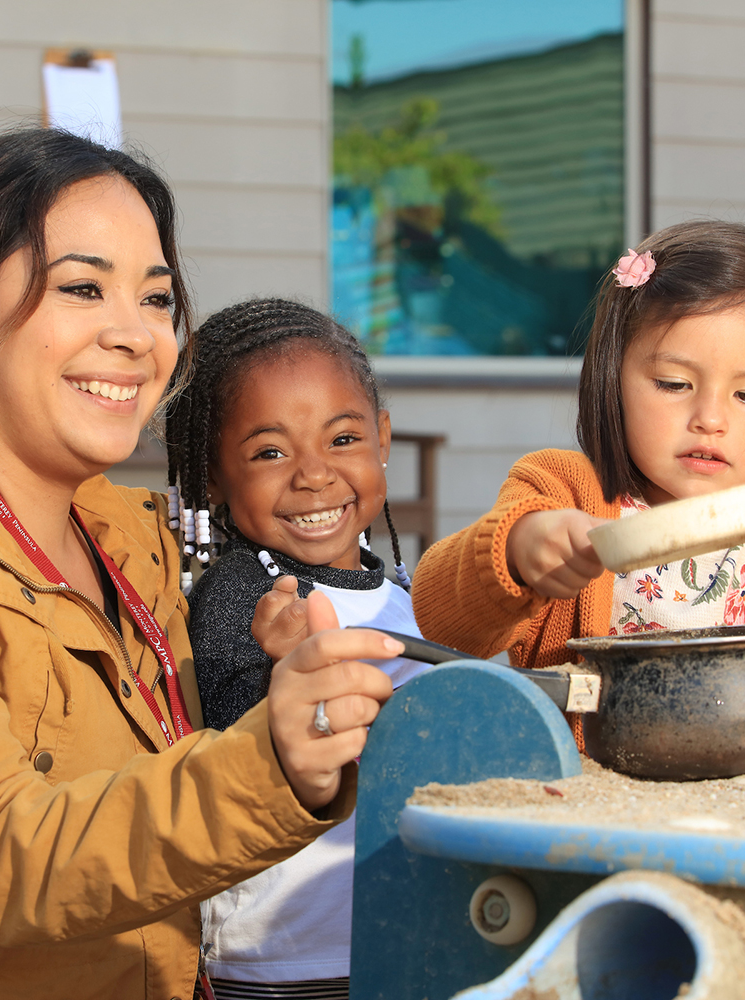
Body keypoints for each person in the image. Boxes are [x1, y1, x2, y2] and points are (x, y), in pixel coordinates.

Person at [0, 130, 401, 1000]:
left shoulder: (133, 539)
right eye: (83, 288)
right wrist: (270, 759)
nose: (137, 336)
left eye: (157, 298)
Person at [412, 220, 745, 750]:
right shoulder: (562, 492)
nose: (710, 419)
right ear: (615, 376)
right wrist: (516, 553)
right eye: (674, 385)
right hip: (589, 805)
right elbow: (436, 621)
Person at [164, 298, 428, 999]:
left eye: (342, 440)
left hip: (390, 935)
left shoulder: (401, 587)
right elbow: (221, 736)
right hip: (281, 955)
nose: (313, 475)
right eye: (270, 452)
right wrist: (277, 669)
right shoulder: (246, 598)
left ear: (383, 438)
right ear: (213, 478)